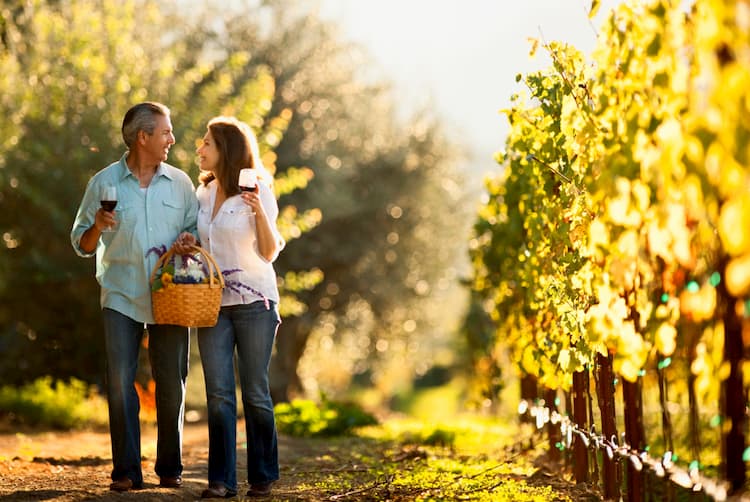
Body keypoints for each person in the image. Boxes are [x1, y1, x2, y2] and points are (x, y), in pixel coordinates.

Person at [70, 102, 199, 492]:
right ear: (142, 138)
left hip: (171, 295)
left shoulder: (180, 183)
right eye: (165, 132)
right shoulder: (103, 182)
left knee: (171, 382)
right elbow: (82, 243)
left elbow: (195, 234)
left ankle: (169, 468)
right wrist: (97, 226)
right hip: (121, 293)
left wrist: (189, 242)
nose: (172, 139)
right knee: (120, 380)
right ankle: (126, 470)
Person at [177, 116, 284, 498]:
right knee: (219, 393)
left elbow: (270, 251)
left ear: (226, 149)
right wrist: (189, 242)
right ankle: (221, 481)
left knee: (255, 391)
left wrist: (257, 210)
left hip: (256, 301)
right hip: (213, 304)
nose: (199, 148)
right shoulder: (202, 195)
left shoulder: (259, 190)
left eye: (206, 143)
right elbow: (203, 245)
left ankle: (262, 476)